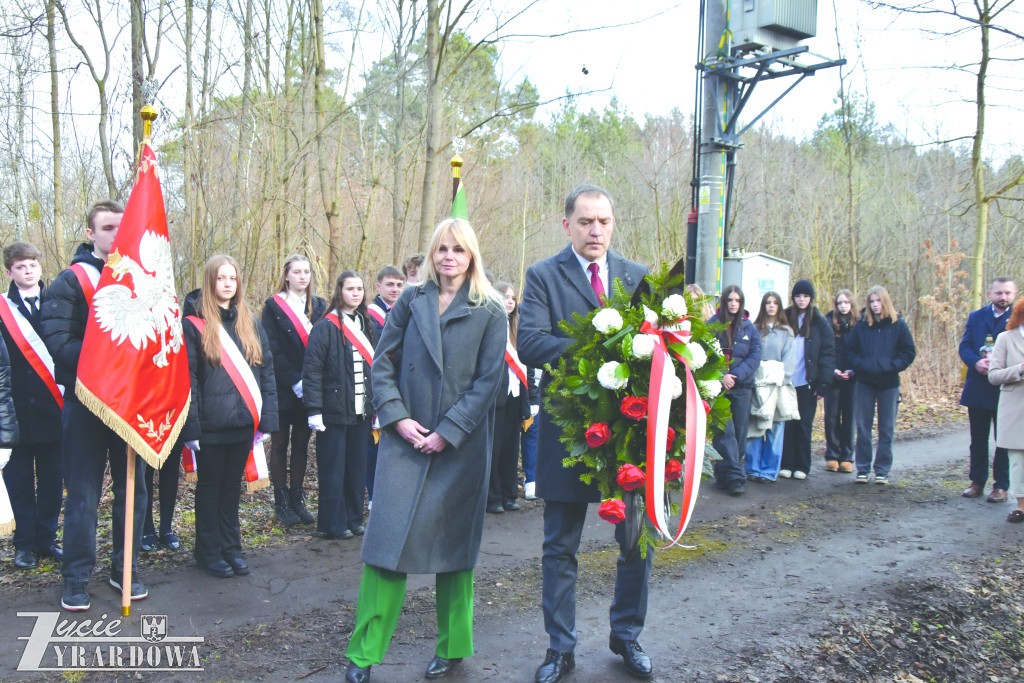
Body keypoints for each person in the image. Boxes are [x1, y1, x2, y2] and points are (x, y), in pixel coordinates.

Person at [344, 219, 506, 683]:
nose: (448, 257)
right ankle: (363, 655)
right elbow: (383, 365)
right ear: (431, 256)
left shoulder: (490, 309)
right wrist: (397, 417)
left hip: (460, 448)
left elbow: (487, 383)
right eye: (441, 249)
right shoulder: (411, 301)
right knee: (385, 550)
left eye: (458, 249)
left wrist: (449, 430)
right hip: (404, 443)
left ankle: (454, 647)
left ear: (471, 255)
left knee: (453, 554)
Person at [518, 184, 652, 683]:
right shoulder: (542, 277)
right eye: (585, 222)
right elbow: (530, 341)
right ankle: (561, 648)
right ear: (567, 224)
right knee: (560, 546)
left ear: (613, 224)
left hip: (630, 432)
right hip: (568, 431)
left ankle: (627, 635)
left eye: (604, 222)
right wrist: (595, 354)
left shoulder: (638, 277)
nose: (595, 230)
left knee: (637, 540)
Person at [42, 200, 148, 611]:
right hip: (86, 403)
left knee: (132, 492)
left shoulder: (141, 278)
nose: (114, 234)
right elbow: (58, 343)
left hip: (129, 405)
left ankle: (125, 569)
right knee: (84, 495)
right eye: (106, 228)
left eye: (121, 227)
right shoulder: (71, 281)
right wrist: (108, 359)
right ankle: (76, 576)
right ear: (91, 233)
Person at [182, 255, 278, 578]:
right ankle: (208, 551)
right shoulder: (194, 325)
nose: (227, 284)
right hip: (210, 426)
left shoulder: (250, 322)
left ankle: (231, 548)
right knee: (209, 488)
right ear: (210, 282)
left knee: (231, 489)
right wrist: (191, 426)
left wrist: (267, 420)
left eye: (232, 278)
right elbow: (189, 380)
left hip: (242, 425)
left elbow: (266, 373)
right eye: (221, 278)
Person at [0, 241, 63, 569]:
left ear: (41, 268)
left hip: (54, 410)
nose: (28, 271)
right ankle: (24, 543)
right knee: (19, 482)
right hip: (17, 412)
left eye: (33, 265)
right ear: (9, 272)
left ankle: (47, 539)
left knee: (54, 480)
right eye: (21, 267)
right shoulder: (2, 310)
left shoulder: (56, 303)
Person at [304, 270, 374, 540]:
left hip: (361, 411)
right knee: (333, 469)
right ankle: (332, 524)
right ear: (339, 292)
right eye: (350, 289)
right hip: (333, 412)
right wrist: (314, 410)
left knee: (356, 468)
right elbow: (312, 371)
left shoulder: (367, 325)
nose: (356, 293)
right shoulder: (325, 327)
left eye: (359, 289)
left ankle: (354, 519)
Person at [262, 255, 327, 526]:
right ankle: (281, 501)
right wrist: (294, 380)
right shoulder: (273, 306)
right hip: (282, 386)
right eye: (297, 272)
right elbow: (271, 349)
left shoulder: (320, 306)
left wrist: (309, 382)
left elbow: (323, 346)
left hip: (310, 386)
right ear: (286, 275)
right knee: (279, 445)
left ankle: (298, 499)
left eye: (306, 272)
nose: (302, 277)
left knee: (301, 445)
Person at [846, 286, 916, 485]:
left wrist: (892, 366)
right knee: (863, 427)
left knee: (886, 429)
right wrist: (861, 365)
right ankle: (862, 468)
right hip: (864, 382)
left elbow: (909, 352)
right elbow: (850, 351)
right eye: (872, 301)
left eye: (878, 301)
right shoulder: (861, 326)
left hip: (888, 383)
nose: (875, 305)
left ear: (885, 302)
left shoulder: (898, 325)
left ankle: (882, 470)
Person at [959, 277, 1017, 502]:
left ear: (1014, 294)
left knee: (1003, 439)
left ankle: (1001, 486)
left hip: (1006, 387)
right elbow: (964, 346)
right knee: (978, 438)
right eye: (999, 293)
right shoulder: (976, 317)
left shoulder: (1018, 318)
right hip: (978, 386)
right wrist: (976, 362)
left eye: (1007, 293)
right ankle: (977, 482)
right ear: (989, 293)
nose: (1003, 297)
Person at [779, 279, 835, 480]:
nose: (801, 300)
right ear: (793, 298)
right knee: (787, 423)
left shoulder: (820, 322)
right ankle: (786, 463)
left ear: (811, 298)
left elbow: (828, 354)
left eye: (805, 296)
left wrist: (824, 383)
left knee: (804, 424)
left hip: (808, 381)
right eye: (798, 296)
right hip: (786, 382)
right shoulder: (784, 317)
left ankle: (802, 465)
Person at [709, 284, 762, 495]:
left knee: (739, 433)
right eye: (730, 300)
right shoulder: (713, 324)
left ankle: (724, 474)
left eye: (737, 300)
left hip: (742, 387)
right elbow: (705, 352)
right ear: (724, 301)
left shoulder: (750, 328)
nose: (733, 303)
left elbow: (755, 356)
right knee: (725, 432)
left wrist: (736, 375)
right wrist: (722, 375)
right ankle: (736, 478)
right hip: (718, 387)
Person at [486, 282, 532, 514]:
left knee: (511, 449)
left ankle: (508, 493)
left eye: (513, 298)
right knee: (493, 449)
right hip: (495, 397)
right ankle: (492, 497)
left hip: (515, 396)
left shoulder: (517, 328)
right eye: (505, 297)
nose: (510, 301)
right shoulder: (488, 325)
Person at [745, 291, 795, 483]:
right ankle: (753, 468)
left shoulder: (786, 332)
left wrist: (777, 379)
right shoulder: (755, 329)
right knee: (755, 426)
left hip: (776, 387)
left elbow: (788, 362)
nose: (771, 306)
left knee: (775, 429)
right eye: (768, 302)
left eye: (775, 303)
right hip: (757, 386)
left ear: (780, 306)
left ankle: (768, 470)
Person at [365, 265, 403, 505]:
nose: (395, 289)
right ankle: (373, 493)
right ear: (378, 286)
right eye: (390, 284)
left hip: (401, 383)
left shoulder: (407, 309)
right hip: (375, 383)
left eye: (399, 285)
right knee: (373, 443)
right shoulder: (368, 315)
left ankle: (393, 493)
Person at [987, 297, 1024, 522]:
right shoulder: (1005, 338)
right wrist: (1019, 369)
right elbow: (993, 375)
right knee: (1018, 458)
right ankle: (1021, 506)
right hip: (1014, 407)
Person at [824, 289, 858, 474]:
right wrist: (834, 371)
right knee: (832, 417)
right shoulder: (829, 322)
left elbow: (861, 350)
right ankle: (832, 455)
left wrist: (852, 370)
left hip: (852, 378)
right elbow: (826, 351)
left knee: (849, 418)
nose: (843, 306)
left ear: (851, 304)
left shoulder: (859, 324)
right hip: (834, 377)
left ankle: (847, 456)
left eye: (846, 302)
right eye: (840, 303)